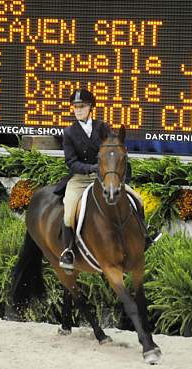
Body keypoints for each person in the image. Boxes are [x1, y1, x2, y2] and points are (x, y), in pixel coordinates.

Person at [59, 88, 160, 272]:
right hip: (80, 179)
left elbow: (113, 149)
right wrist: (90, 168)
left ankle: (144, 237)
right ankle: (68, 252)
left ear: (90, 108)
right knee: (68, 212)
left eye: (81, 107)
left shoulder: (102, 127)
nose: (78, 110)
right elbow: (71, 162)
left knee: (137, 198)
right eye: (75, 107)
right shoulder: (69, 132)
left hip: (105, 179)